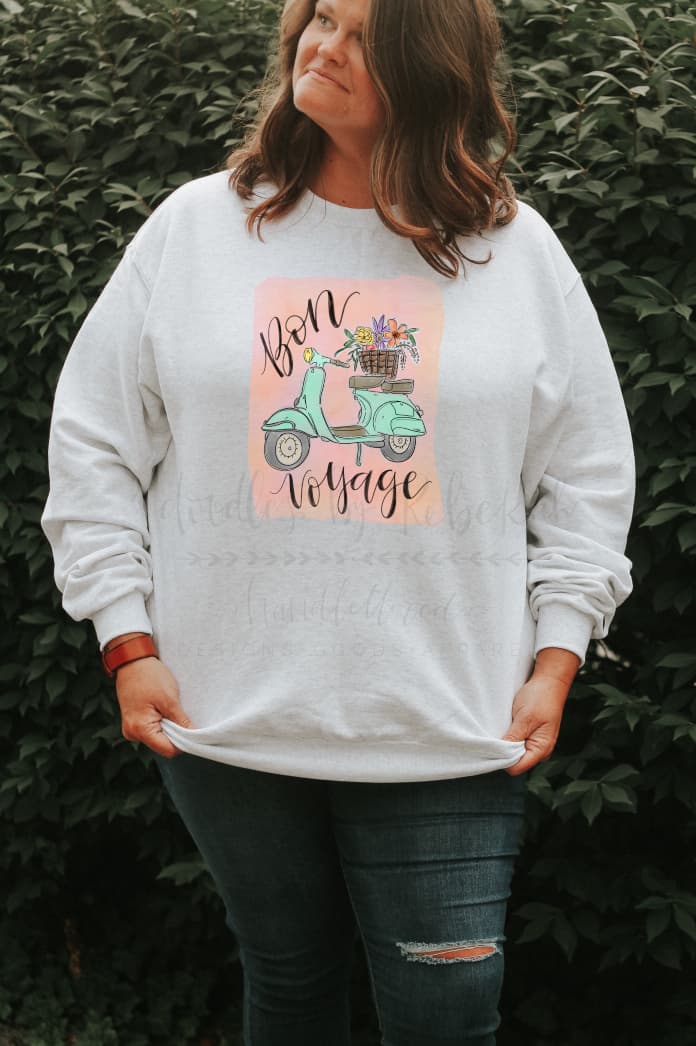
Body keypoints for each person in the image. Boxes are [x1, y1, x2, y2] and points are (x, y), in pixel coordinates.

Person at [40, 0, 636, 1042]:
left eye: (364, 34)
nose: (324, 46)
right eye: (321, 17)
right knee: (288, 981)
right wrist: (127, 640)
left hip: (450, 723)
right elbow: (93, 440)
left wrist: (557, 655)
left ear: (429, 67)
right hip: (228, 717)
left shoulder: (514, 252)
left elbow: (588, 470)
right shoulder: (197, 228)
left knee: (447, 1014)